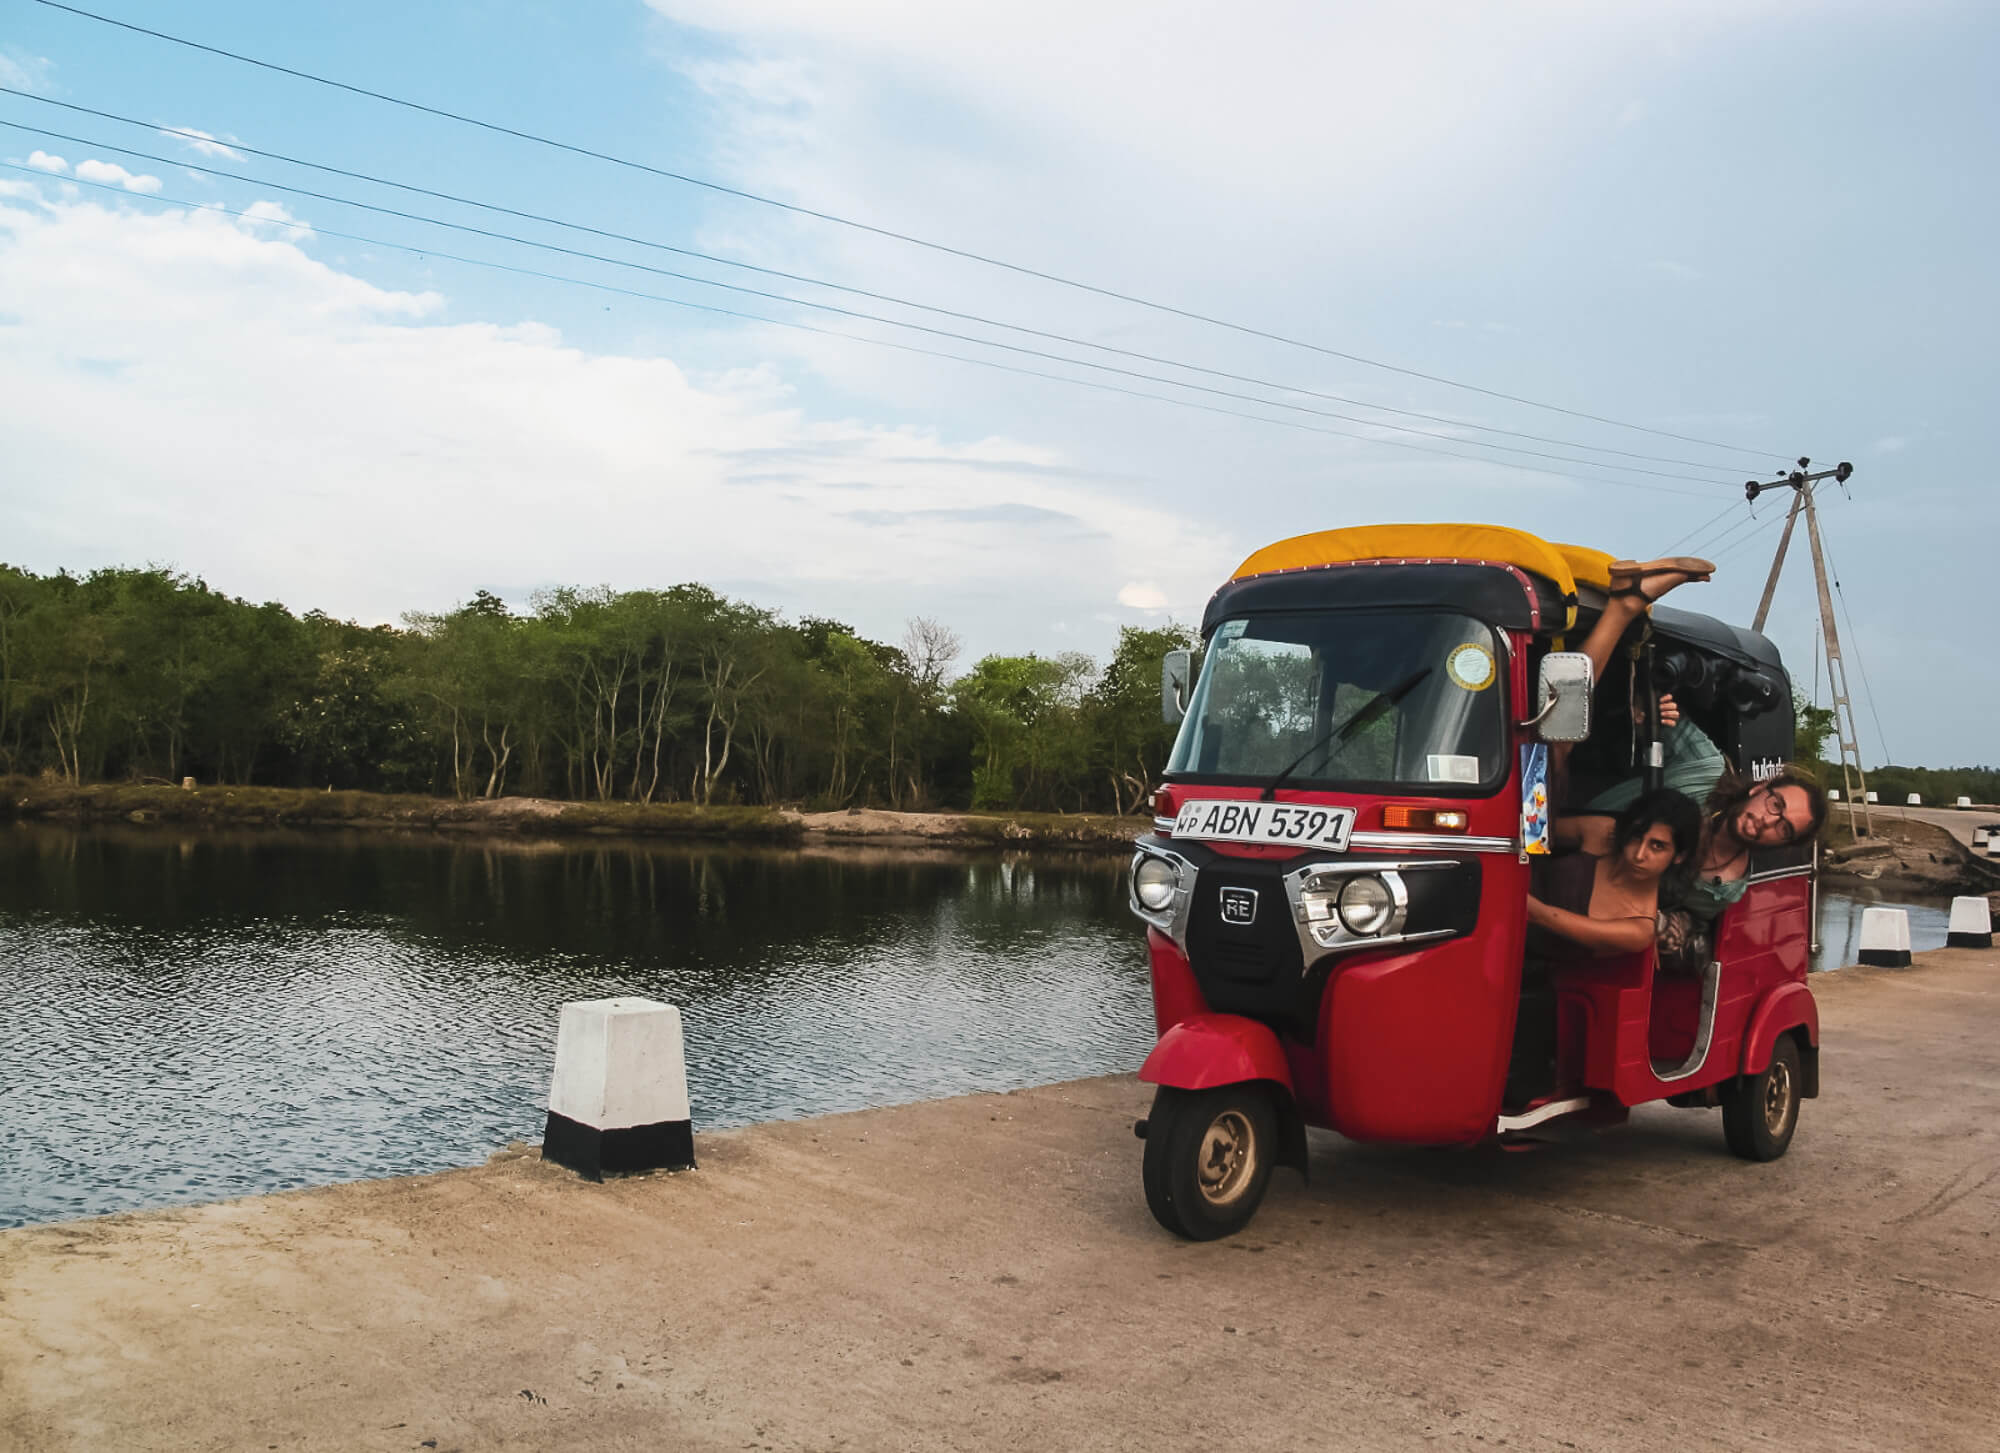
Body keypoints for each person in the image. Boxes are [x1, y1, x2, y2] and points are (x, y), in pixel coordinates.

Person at [1525, 789, 1702, 960]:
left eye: (1657, 846)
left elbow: (1541, 916)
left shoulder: (1639, 929)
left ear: (1679, 856)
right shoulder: (1604, 833)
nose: (1639, 855)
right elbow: (1529, 830)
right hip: (1508, 872)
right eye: (1636, 837)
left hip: (1514, 947)